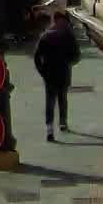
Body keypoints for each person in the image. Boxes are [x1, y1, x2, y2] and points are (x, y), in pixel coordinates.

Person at [34, 11, 82, 141]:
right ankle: (62, 122)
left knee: (49, 100)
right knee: (62, 98)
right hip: (63, 72)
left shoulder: (45, 36)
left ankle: (49, 127)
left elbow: (37, 57)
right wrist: (69, 64)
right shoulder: (68, 36)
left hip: (49, 73)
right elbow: (77, 55)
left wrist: (42, 71)